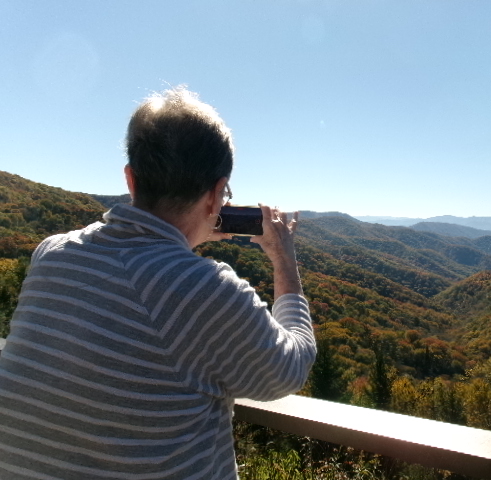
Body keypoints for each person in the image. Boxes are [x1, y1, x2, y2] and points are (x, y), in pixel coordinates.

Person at [0, 87, 316, 479]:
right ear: (217, 194)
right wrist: (284, 259)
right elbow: (290, 369)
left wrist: (185, 236)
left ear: (131, 179)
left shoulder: (51, 254)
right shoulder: (205, 289)